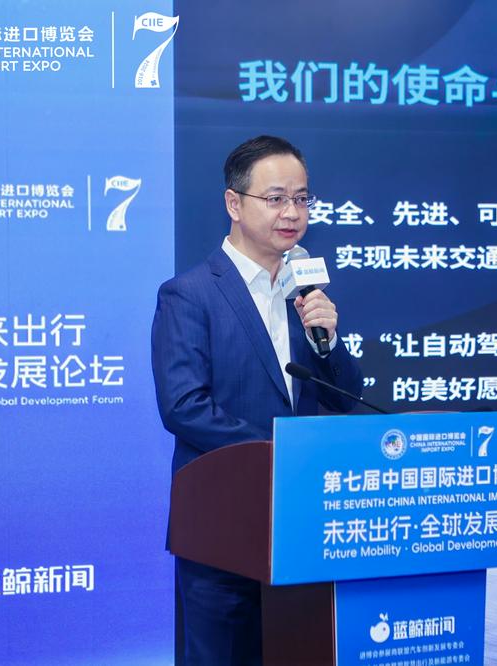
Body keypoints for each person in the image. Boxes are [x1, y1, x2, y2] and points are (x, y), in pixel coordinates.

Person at [151, 135, 363, 665]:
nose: (292, 212)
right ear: (234, 203)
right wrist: (282, 454)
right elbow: (183, 406)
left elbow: (345, 398)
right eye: (276, 198)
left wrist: (328, 342)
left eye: (302, 198)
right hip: (222, 526)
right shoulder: (189, 294)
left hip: (300, 524)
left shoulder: (303, 294)